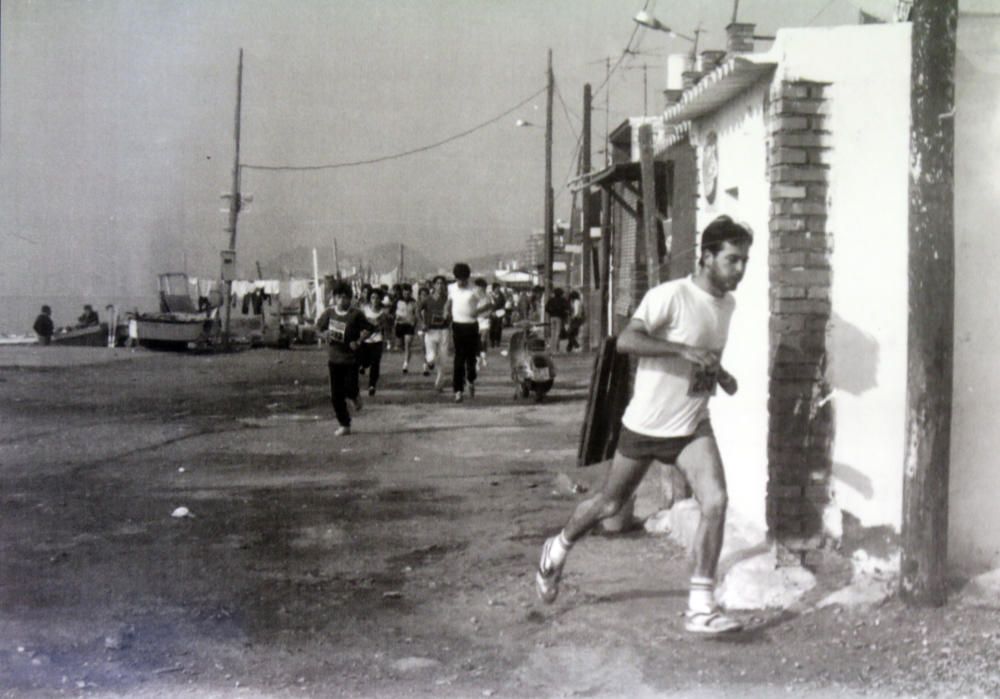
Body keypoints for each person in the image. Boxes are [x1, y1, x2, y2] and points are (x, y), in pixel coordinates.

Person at [535, 215, 753, 636]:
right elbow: (626, 341)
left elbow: (702, 356)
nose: (740, 269)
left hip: (692, 426)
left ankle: (701, 607)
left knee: (716, 501)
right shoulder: (669, 296)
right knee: (610, 504)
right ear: (707, 257)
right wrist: (682, 350)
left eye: (745, 260)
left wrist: (719, 375)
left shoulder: (727, 305)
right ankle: (557, 548)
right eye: (732, 260)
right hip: (646, 425)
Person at [315, 282, 372, 436]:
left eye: (345, 297)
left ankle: (354, 396)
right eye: (339, 297)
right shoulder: (329, 313)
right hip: (334, 359)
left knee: (349, 387)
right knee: (336, 395)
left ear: (350, 299)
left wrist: (359, 341)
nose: (342, 300)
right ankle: (344, 424)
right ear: (334, 298)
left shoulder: (356, 314)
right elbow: (318, 328)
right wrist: (324, 334)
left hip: (351, 359)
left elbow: (369, 328)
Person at [446, 263, 491, 403]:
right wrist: (446, 311)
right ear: (455, 278)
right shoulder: (451, 288)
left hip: (471, 326)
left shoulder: (475, 289)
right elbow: (449, 302)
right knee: (458, 359)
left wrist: (476, 312)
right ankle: (458, 390)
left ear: (468, 278)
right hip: (457, 326)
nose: (461, 282)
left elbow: (489, 304)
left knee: (470, 359)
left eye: (463, 279)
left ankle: (471, 380)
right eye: (458, 279)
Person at [419, 275, 450, 390]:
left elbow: (453, 313)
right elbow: (418, 310)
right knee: (431, 357)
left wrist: (449, 316)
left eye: (442, 283)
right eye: (437, 283)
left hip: (444, 331)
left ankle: (439, 383)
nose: (440, 285)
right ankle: (429, 363)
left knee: (443, 359)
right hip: (430, 331)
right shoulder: (427, 299)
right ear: (433, 285)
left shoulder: (448, 299)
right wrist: (422, 323)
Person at [359, 289, 387, 397]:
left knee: (375, 363)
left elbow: (383, 326)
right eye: (372, 297)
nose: (375, 300)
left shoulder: (383, 313)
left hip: (377, 340)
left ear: (380, 299)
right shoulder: (364, 310)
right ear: (370, 299)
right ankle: (362, 365)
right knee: (366, 361)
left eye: (377, 298)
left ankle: (372, 385)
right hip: (365, 340)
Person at [394, 285, 418, 373]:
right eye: (404, 292)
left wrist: (414, 323)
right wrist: (395, 319)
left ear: (410, 292)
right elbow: (391, 313)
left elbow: (416, 314)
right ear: (402, 292)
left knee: (408, 344)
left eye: (408, 292)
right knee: (400, 346)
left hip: (409, 325)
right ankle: (406, 354)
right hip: (400, 325)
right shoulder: (397, 301)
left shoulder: (414, 302)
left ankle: (405, 364)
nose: (406, 293)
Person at [545, 287, 570, 353]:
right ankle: (556, 348)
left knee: (553, 333)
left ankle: (552, 348)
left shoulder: (551, 300)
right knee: (557, 333)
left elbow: (546, 308)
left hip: (552, 318)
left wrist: (551, 313)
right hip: (559, 318)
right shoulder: (563, 300)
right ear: (561, 293)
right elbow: (567, 309)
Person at [474, 278, 491, 369]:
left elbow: (490, 310)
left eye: (481, 287)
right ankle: (478, 360)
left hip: (484, 321)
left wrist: (486, 314)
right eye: (478, 287)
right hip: (475, 321)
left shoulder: (488, 297)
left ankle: (483, 357)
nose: (479, 289)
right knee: (477, 341)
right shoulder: (473, 297)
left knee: (483, 340)